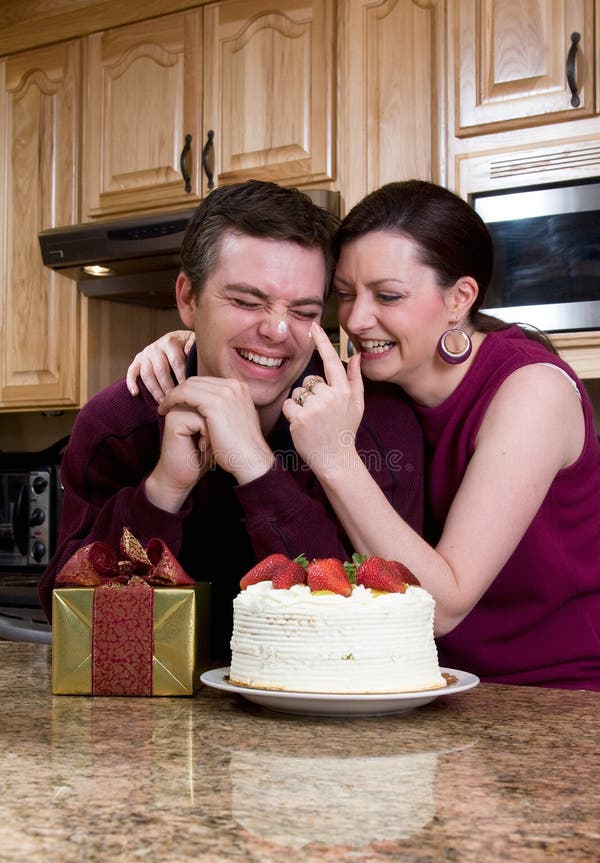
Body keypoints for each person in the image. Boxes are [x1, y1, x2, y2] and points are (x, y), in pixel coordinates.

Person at [138, 180, 600, 689]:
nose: (356, 319)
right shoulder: (375, 384)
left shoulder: (532, 391)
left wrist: (333, 457)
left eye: (388, 295)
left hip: (545, 700)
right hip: (418, 688)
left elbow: (444, 605)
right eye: (344, 295)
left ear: (460, 298)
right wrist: (193, 341)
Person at [40, 180, 424, 661]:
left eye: (304, 311)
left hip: (326, 729)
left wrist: (258, 468)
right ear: (187, 298)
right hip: (153, 726)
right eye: (246, 302)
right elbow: (84, 636)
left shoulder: (374, 426)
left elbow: (369, 640)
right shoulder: (118, 423)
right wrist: (161, 492)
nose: (276, 331)